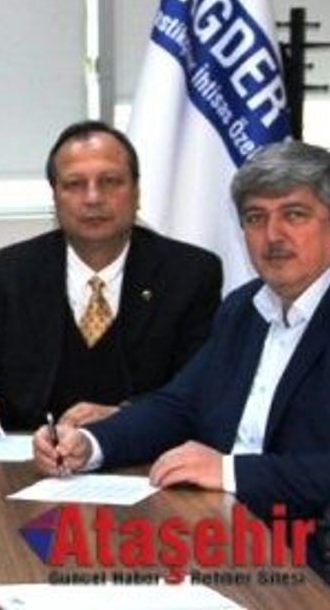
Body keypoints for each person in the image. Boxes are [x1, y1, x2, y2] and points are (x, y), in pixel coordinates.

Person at [34, 140, 330, 578]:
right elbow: (180, 405)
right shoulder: (244, 308)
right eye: (255, 218)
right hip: (218, 525)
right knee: (48, 556)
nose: (272, 235)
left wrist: (230, 471)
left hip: (304, 553)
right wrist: (90, 443)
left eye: (295, 214)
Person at [0, 121, 222, 437]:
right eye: (75, 184)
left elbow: (202, 391)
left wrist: (125, 419)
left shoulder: (190, 274)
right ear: (55, 197)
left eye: (110, 181)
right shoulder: (6, 275)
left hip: (147, 456)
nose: (93, 198)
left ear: (137, 192)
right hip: (28, 455)